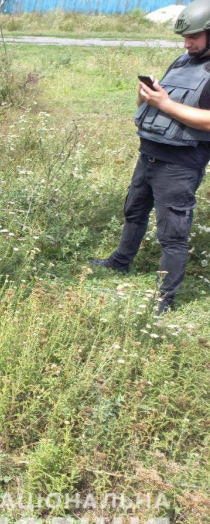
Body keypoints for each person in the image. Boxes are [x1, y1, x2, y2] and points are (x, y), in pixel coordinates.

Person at [91, 0, 210, 314]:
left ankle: (165, 299)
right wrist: (147, 96)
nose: (187, 43)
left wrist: (166, 104)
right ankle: (120, 261)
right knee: (133, 212)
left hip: (180, 164)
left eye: (194, 37)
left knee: (172, 235)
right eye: (185, 37)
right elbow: (154, 106)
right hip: (150, 154)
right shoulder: (184, 60)